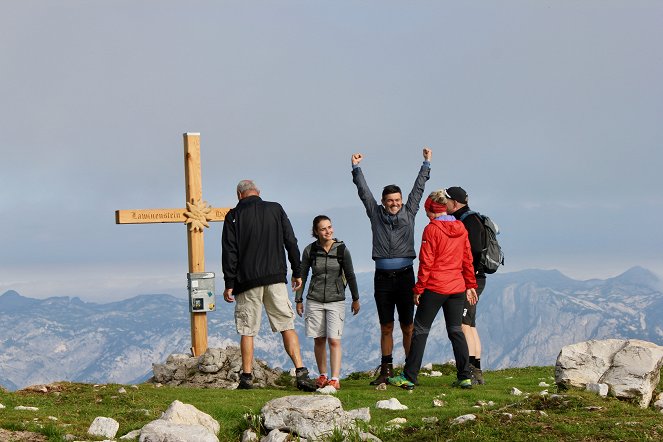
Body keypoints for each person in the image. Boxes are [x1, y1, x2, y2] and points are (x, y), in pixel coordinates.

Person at [221, 179, 316, 391]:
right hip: (275, 277)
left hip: (246, 281)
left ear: (239, 195)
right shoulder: (275, 209)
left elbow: (230, 252)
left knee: (247, 329)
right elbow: (290, 241)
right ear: (258, 192)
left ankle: (246, 378)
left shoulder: (233, 216)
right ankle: (300, 373)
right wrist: (297, 272)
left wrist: (229, 282)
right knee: (286, 325)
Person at [351, 147, 431, 385]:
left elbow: (419, 189)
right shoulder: (375, 214)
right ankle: (386, 370)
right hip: (383, 278)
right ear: (384, 202)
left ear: (401, 201)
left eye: (397, 200)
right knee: (386, 326)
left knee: (408, 326)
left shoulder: (410, 212)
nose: (394, 203)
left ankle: (409, 371)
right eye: (390, 201)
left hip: (406, 276)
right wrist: (356, 169)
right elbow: (364, 193)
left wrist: (426, 164)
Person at [387, 190, 478, 390]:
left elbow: (426, 263)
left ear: (431, 210)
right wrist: (470, 285)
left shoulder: (431, 230)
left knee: (420, 331)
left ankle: (410, 376)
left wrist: (418, 289)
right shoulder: (461, 227)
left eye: (427, 210)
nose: (426, 214)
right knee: (455, 331)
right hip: (456, 287)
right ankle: (464, 376)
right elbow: (467, 259)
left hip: (436, 286)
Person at [295, 215, 360, 391]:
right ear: (316, 232)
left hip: (336, 300)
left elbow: (351, 274)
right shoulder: (310, 250)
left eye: (329, 227)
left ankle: (335, 378)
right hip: (314, 300)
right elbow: (303, 275)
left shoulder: (341, 250)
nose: (328, 231)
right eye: (323, 229)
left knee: (334, 340)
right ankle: (323, 375)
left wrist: (355, 298)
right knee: (319, 339)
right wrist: (298, 300)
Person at [444, 186, 487, 384]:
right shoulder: (472, 218)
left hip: (470, 280)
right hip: (476, 278)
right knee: (470, 324)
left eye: (446, 201)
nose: (444, 205)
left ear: (454, 202)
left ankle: (470, 370)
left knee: (463, 325)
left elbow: (475, 249)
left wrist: (470, 274)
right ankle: (476, 369)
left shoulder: (467, 221)